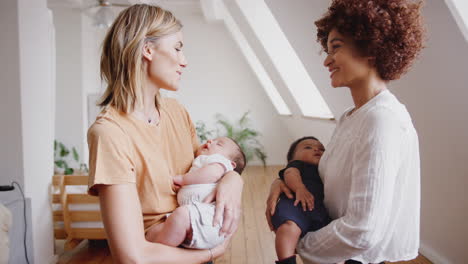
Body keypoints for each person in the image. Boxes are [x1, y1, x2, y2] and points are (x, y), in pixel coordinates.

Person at [265, 0, 424, 263]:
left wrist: (298, 241)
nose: (327, 60)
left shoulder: (381, 119)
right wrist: (282, 183)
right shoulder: (352, 117)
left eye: (335, 47)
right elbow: (331, 183)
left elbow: (363, 231)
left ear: (370, 48)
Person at [87, 4, 243, 264]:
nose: (185, 60)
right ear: (148, 50)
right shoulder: (109, 133)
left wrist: (233, 181)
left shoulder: (176, 112)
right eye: (178, 48)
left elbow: (205, 169)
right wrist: (212, 253)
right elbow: (133, 257)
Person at [145, 137, 247, 249]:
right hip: (196, 219)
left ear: (231, 164)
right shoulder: (199, 164)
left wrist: (183, 179)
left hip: (210, 218)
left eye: (219, 144)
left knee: (179, 217)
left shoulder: (218, 162)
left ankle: (158, 253)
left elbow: (212, 174)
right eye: (212, 140)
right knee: (153, 232)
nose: (210, 141)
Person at [270, 136, 332, 264]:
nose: (316, 150)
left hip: (318, 209)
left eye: (322, 149)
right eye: (308, 147)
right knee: (289, 227)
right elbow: (290, 174)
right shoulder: (298, 165)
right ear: (292, 158)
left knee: (331, 239)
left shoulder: (326, 169)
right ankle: (286, 261)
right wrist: (299, 188)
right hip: (294, 204)